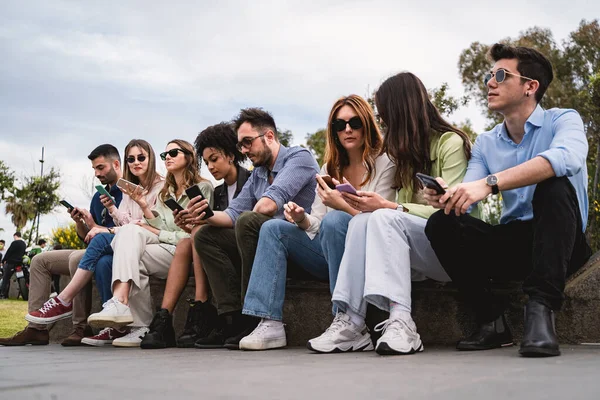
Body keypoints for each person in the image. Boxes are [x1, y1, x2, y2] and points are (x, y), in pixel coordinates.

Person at [423, 44, 591, 358]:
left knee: (553, 183)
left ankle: (540, 311)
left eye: (501, 75)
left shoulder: (563, 120)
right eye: (490, 75)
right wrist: (447, 194)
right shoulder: (487, 143)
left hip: (562, 243)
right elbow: (469, 192)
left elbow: (566, 158)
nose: (490, 82)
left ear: (531, 86)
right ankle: (491, 321)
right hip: (515, 243)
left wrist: (491, 183)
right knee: (442, 223)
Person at [307, 73, 474, 355]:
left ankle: (402, 320)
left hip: (453, 251)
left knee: (382, 215)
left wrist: (389, 206)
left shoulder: (450, 143)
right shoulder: (403, 155)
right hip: (413, 254)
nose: (380, 122)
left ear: (400, 111)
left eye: (383, 115)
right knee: (362, 221)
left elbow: (460, 211)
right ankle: (351, 319)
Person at [239, 95, 396, 350]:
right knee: (273, 228)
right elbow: (318, 225)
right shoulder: (329, 167)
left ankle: (347, 319)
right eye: (339, 125)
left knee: (337, 220)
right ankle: (269, 322)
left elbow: (382, 223)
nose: (347, 129)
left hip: (369, 255)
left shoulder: (386, 161)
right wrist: (301, 218)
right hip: (330, 251)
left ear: (366, 124)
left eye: (354, 123)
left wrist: (342, 205)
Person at [185, 108, 319, 350]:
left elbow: (268, 204)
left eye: (247, 142)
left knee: (249, 221)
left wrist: (243, 215)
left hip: (304, 244)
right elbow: (231, 214)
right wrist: (201, 215)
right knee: (205, 236)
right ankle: (233, 316)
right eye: (241, 145)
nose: (244, 151)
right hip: (272, 246)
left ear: (269, 136)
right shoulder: (258, 174)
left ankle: (253, 316)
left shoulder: (299, 157)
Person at [26, 139, 164, 347]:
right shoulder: (117, 192)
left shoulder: (152, 187)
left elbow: (143, 225)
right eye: (132, 159)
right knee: (44, 260)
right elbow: (97, 232)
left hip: (136, 239)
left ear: (116, 165)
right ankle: (111, 324)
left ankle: (70, 310)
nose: (136, 162)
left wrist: (105, 228)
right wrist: (88, 222)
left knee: (84, 256)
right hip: (111, 242)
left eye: (141, 157)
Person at [86, 139, 213, 348]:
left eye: (173, 153)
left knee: (131, 237)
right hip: (164, 247)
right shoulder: (167, 192)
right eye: (165, 155)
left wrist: (155, 230)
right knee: (131, 246)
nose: (168, 158)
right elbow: (159, 223)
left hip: (184, 253)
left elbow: (192, 235)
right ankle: (140, 325)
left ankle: (119, 302)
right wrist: (144, 207)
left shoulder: (202, 187)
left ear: (189, 156)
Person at [0, 144, 123, 346]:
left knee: (77, 257)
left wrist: (98, 228)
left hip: (115, 246)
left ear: (116, 164)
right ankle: (36, 329)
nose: (96, 173)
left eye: (100, 168)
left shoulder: (126, 191)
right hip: (96, 246)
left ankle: (80, 326)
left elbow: (125, 226)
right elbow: (87, 237)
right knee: (39, 260)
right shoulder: (97, 196)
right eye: (94, 169)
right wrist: (80, 223)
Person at [141, 123, 251, 349]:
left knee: (196, 234)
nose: (210, 166)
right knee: (187, 240)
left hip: (245, 247)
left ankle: (204, 308)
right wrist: (188, 224)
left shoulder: (250, 181)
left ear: (231, 156)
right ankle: (164, 318)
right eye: (207, 161)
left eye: (215, 159)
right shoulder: (220, 191)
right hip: (211, 249)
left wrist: (197, 226)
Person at [0, 232, 27, 299]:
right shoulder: (24, 244)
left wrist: (3, 260)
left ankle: (2, 294)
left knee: (6, 279)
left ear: (15, 236)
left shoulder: (14, 243)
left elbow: (9, 252)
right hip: (19, 264)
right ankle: (24, 294)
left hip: (10, 263)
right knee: (20, 280)